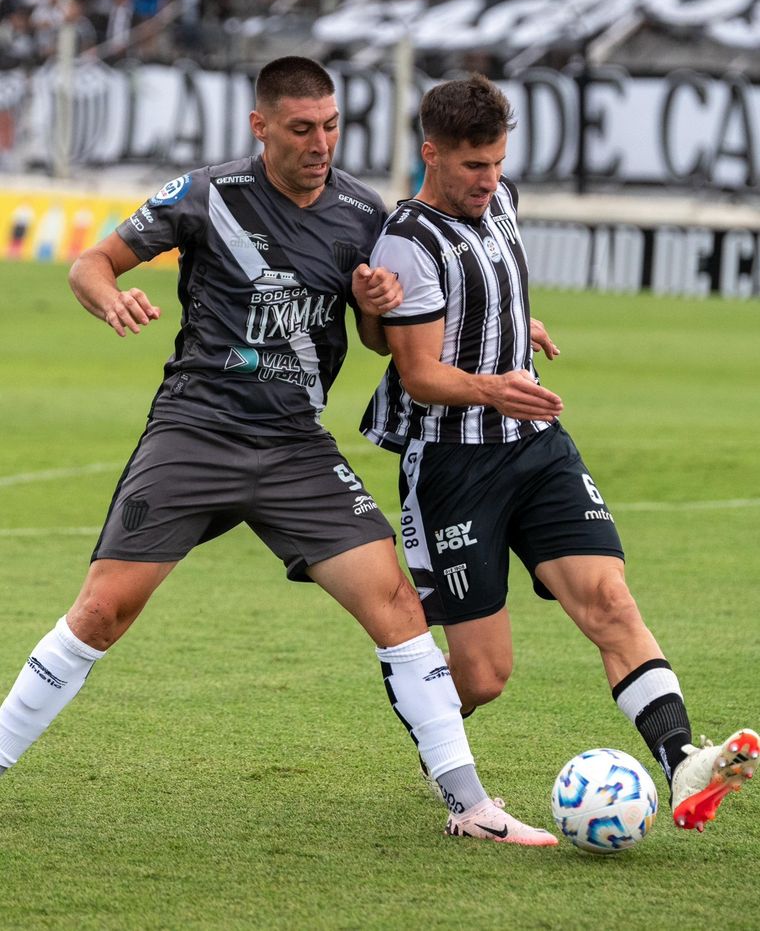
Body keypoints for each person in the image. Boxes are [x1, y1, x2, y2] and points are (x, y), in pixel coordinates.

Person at [0, 56, 557, 846]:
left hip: (296, 446)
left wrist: (376, 305)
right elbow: (92, 263)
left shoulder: (363, 212)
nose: (320, 143)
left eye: (331, 126)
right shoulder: (208, 194)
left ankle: (470, 805)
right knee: (102, 611)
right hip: (196, 433)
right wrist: (110, 297)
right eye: (301, 128)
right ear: (260, 126)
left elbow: (384, 339)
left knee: (398, 607)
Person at [361, 72, 759, 833]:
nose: (489, 180)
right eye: (473, 165)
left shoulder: (500, 200)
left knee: (609, 600)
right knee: (484, 674)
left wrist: (514, 324)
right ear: (431, 153)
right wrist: (495, 385)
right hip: (453, 466)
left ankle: (682, 762)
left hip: (537, 447)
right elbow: (418, 374)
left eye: (497, 162)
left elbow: (486, 284)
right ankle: (438, 728)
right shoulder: (406, 243)